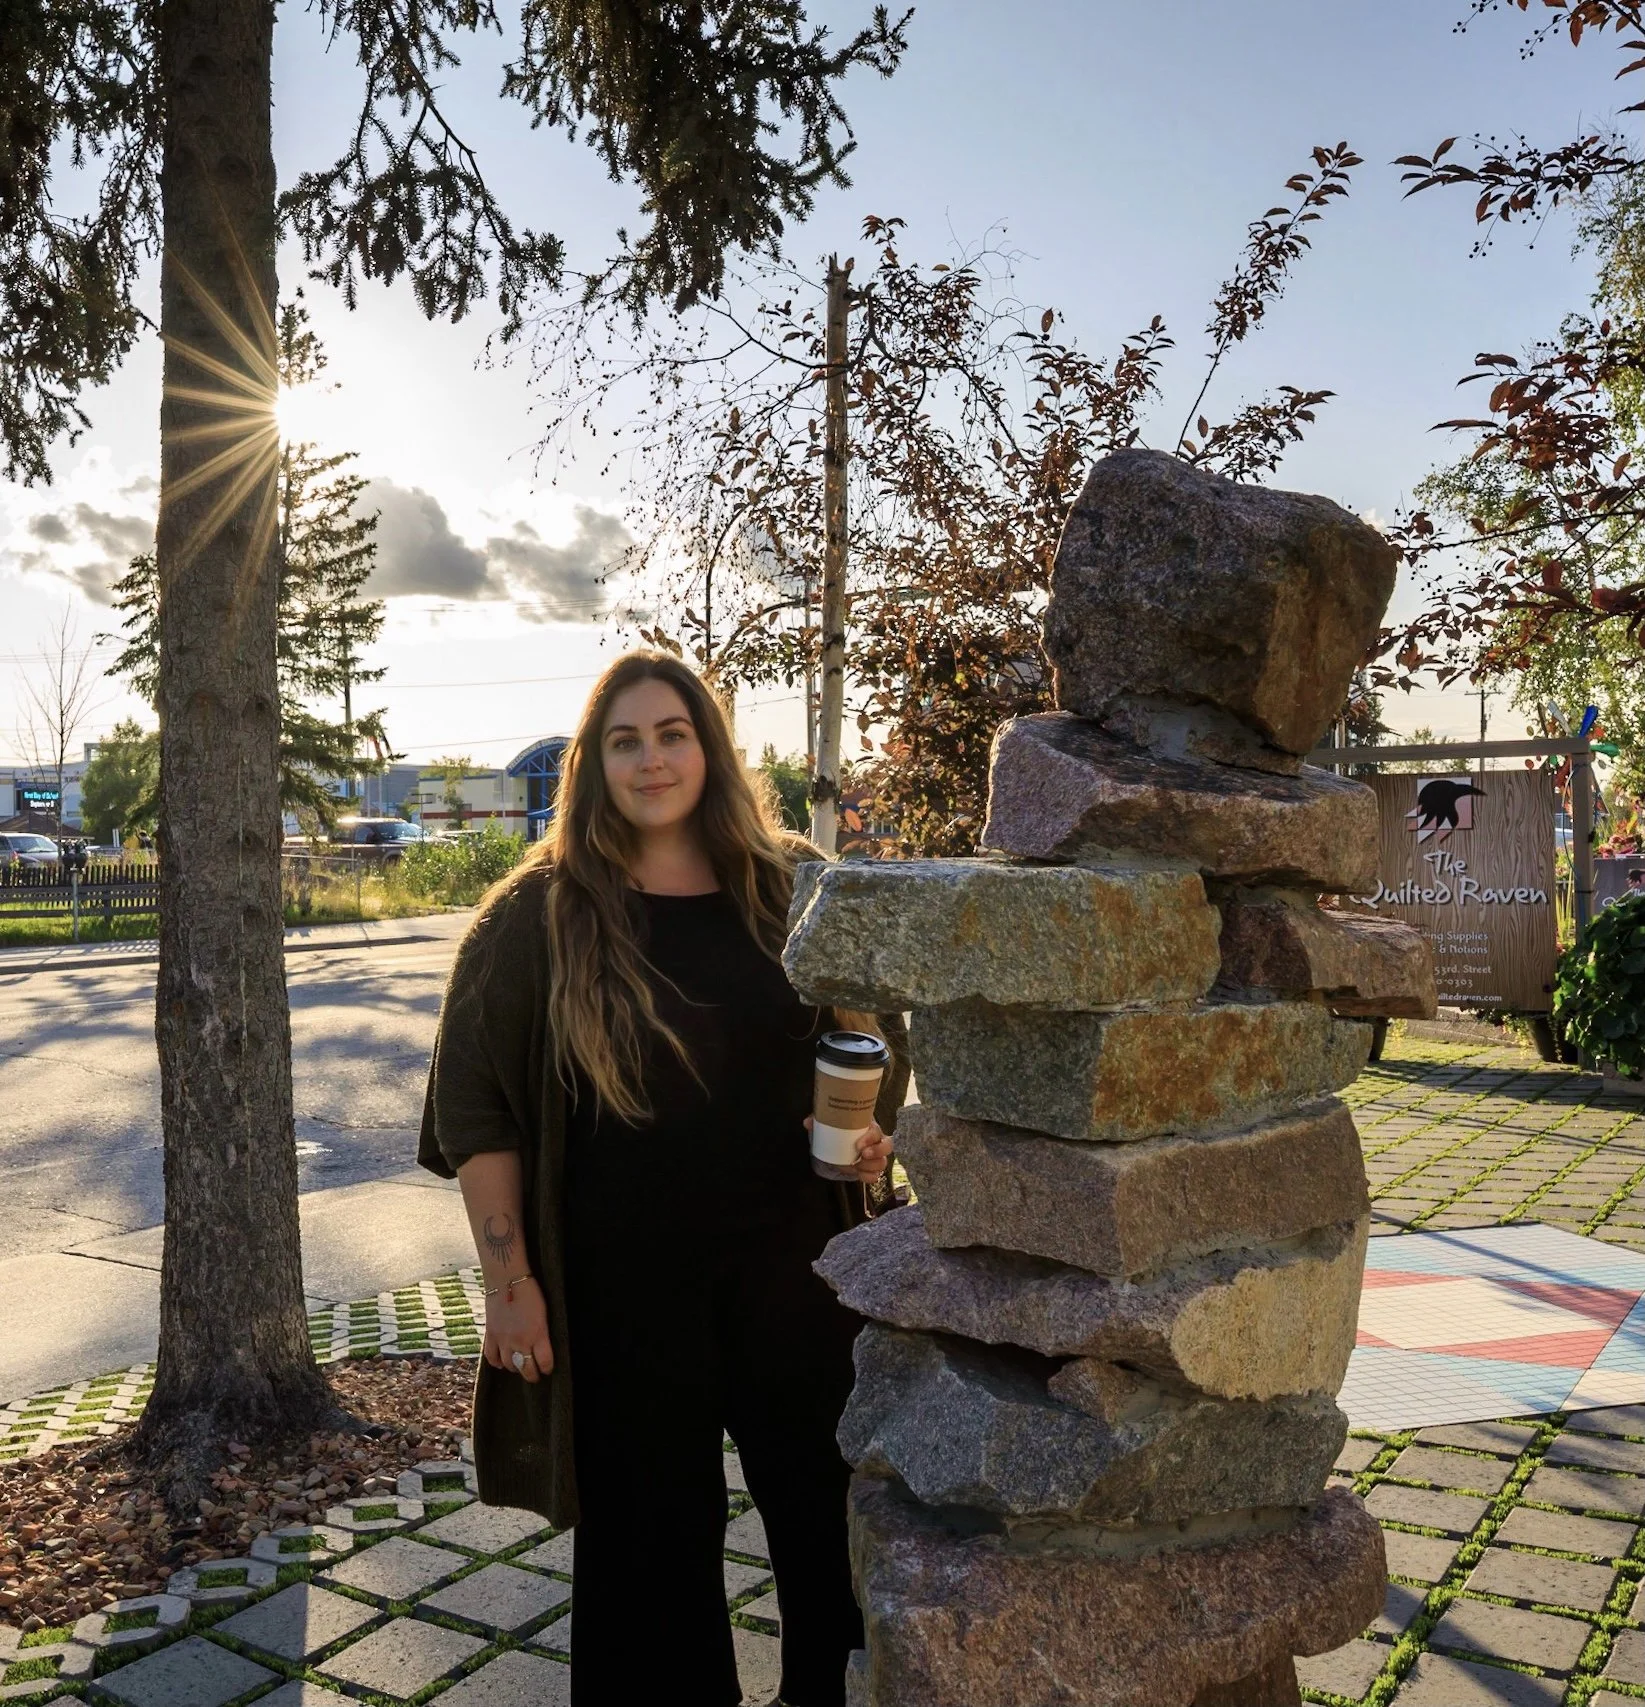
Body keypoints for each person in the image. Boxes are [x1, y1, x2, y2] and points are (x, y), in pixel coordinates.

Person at [417, 651, 908, 1707]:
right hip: (622, 1302)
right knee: (649, 1587)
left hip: (801, 1286)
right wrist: (510, 1287)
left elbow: (876, 1051)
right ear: (591, 764)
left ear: (710, 746)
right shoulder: (535, 917)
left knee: (837, 1551)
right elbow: (476, 1114)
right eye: (624, 740)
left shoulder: (795, 885)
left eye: (672, 733)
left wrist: (873, 1144)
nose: (651, 760)